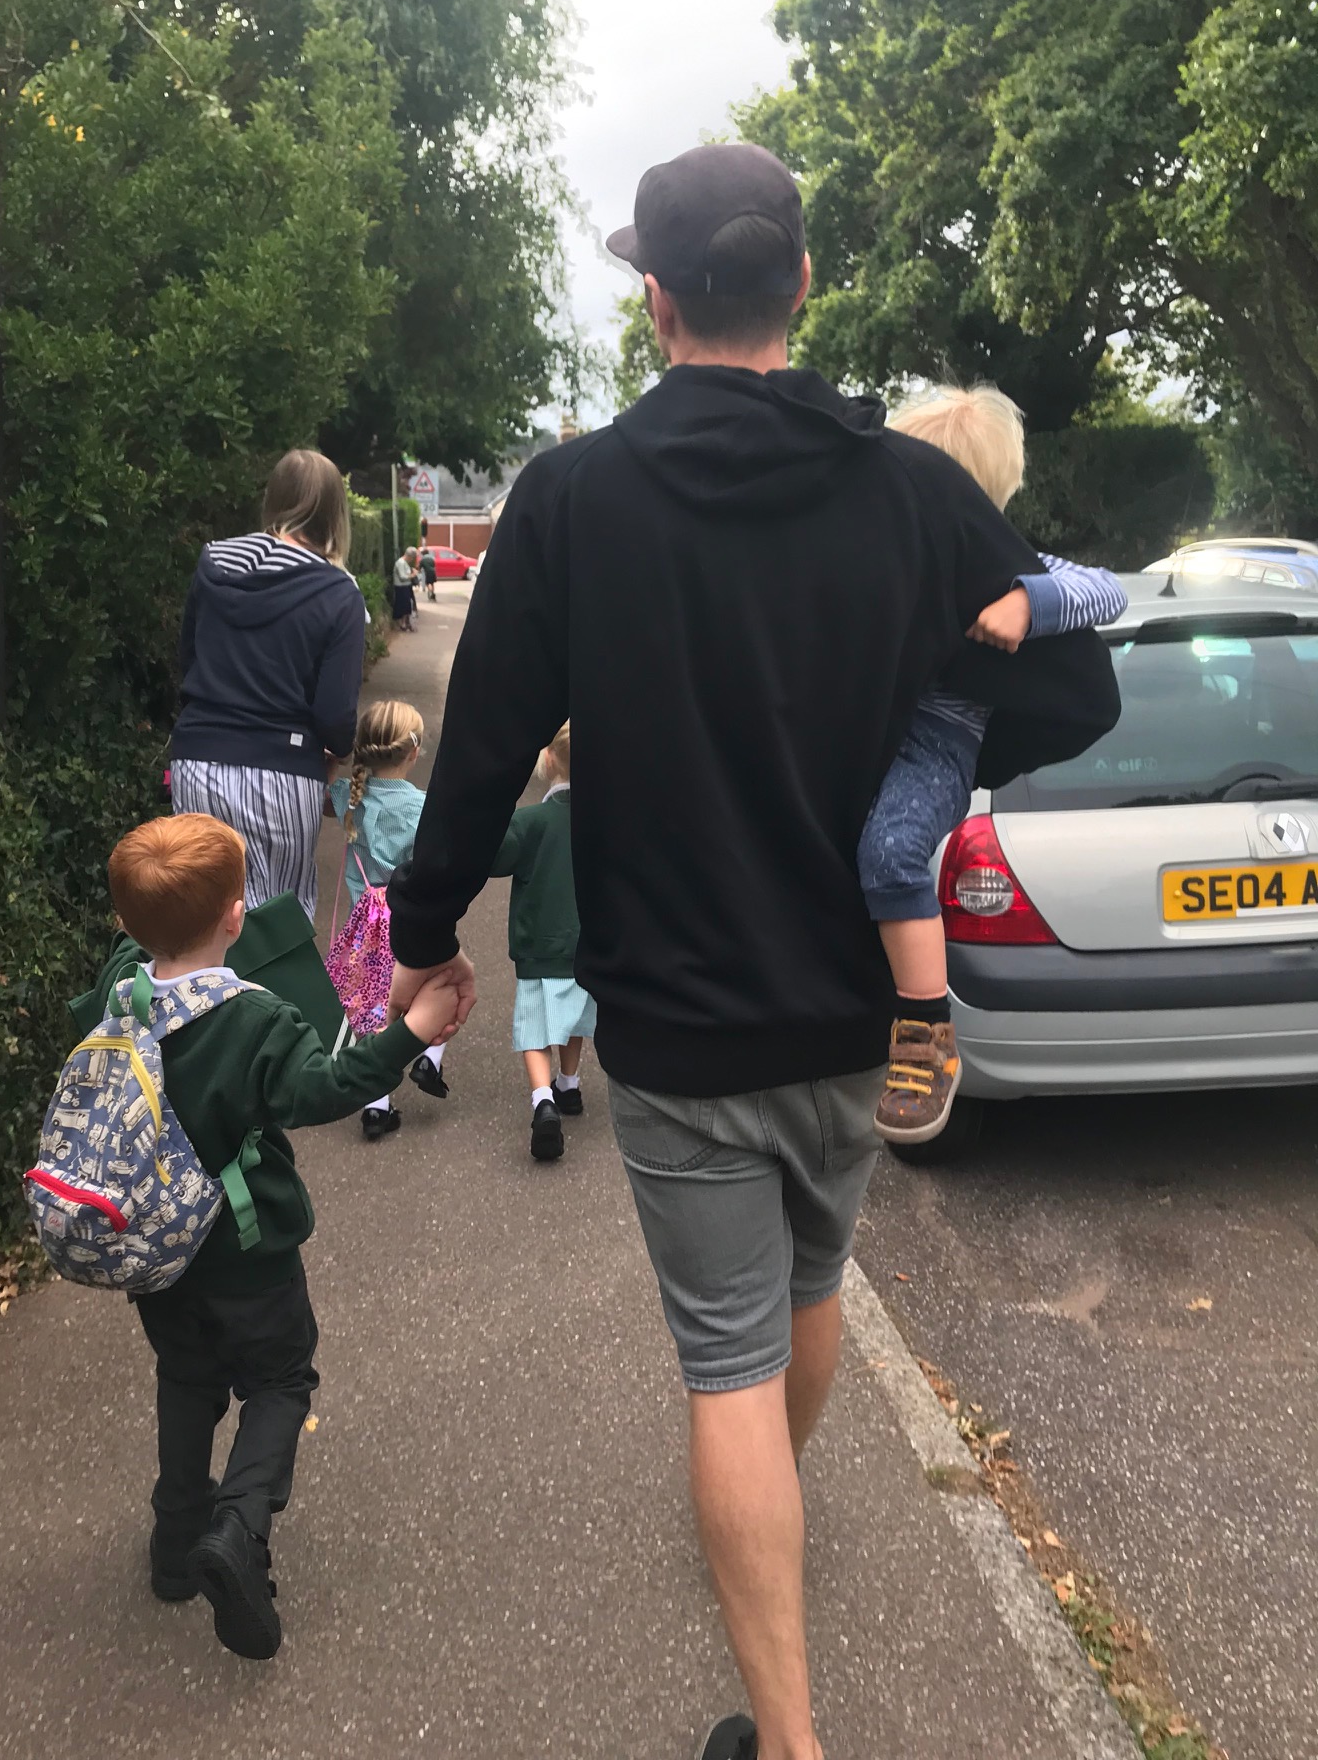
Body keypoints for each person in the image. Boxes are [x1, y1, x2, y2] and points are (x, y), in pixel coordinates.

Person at [383, 143, 1119, 1760]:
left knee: (725, 1363)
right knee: (807, 1289)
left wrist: (425, 944)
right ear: (800, 286)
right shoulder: (912, 493)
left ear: (654, 302)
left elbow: (483, 746)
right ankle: (759, 1494)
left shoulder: (572, 500)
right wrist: (938, 730)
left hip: (679, 1025)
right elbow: (1078, 689)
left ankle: (787, 1737)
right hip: (856, 1016)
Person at [84, 813, 458, 1661]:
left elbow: (146, 940)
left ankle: (175, 1546)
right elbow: (327, 1086)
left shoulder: (118, 989)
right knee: (281, 1381)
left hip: (158, 1256)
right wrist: (412, 1029)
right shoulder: (254, 1020)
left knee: (187, 1380)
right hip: (248, 1254)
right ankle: (239, 1526)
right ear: (234, 916)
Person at [859, 386, 1129, 1145]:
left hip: (937, 743)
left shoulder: (1010, 565)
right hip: (868, 732)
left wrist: (1028, 602)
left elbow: (1105, 587)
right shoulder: (876, 556)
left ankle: (926, 1037)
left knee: (890, 852)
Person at [170, 449, 366, 920]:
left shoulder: (214, 561)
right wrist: (337, 753)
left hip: (197, 761)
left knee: (199, 916)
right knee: (276, 922)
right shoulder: (338, 592)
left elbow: (188, 658)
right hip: (282, 772)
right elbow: (334, 713)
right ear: (334, 513)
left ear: (272, 499)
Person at [326, 700, 452, 1137]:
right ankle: (431, 1057)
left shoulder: (348, 796)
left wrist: (333, 760)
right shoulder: (422, 806)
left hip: (366, 927)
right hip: (409, 921)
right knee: (440, 988)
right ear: (413, 753)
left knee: (374, 1006)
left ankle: (376, 1104)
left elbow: (327, 788)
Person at [489, 722, 594, 1164]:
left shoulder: (529, 821)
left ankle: (542, 1100)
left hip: (537, 943)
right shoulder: (604, 821)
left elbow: (495, 859)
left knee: (534, 1026)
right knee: (574, 1018)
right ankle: (569, 1085)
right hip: (585, 943)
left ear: (548, 760)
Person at [392, 547, 418, 632]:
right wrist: (413, 575)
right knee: (404, 606)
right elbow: (402, 577)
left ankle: (407, 623)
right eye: (412, 558)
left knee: (408, 605)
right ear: (409, 556)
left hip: (406, 586)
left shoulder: (405, 563)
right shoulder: (400, 563)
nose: (412, 560)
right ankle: (403, 624)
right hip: (401, 587)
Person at [418, 535, 438, 602]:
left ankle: (431, 593)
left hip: (428, 572)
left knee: (428, 583)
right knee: (432, 583)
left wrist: (419, 572)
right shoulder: (431, 558)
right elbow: (434, 565)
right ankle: (433, 592)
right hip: (433, 571)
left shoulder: (423, 559)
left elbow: (420, 567)